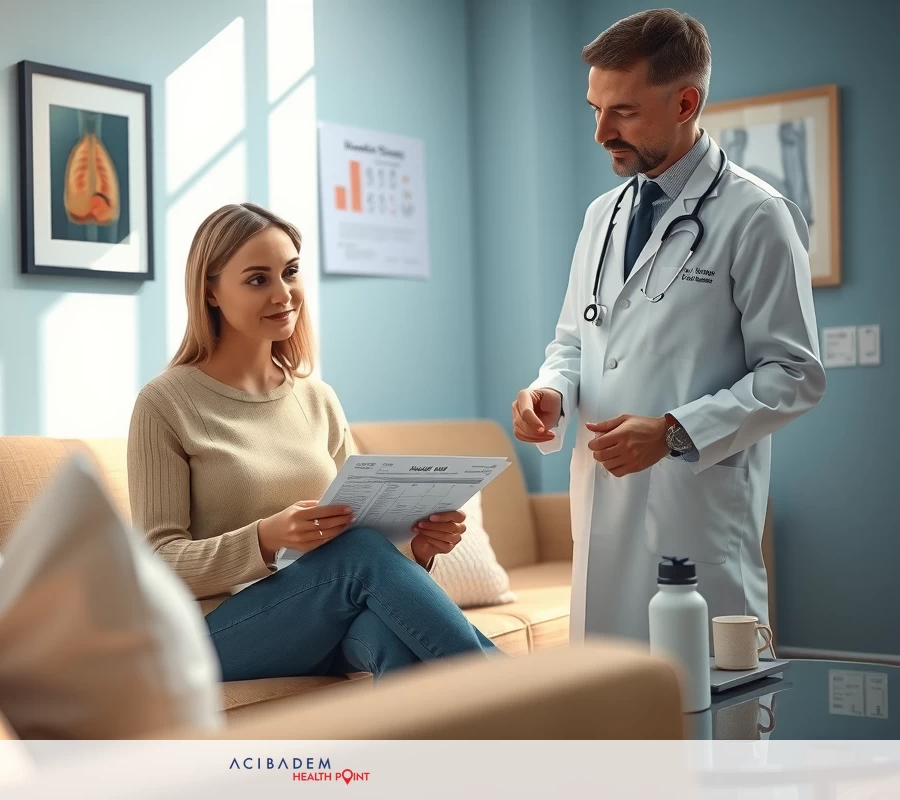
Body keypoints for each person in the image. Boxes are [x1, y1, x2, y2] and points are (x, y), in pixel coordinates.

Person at [512, 10, 825, 644]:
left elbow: (795, 374)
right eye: (595, 109)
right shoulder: (601, 216)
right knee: (608, 698)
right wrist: (552, 391)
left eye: (623, 112)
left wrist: (675, 432)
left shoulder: (756, 215)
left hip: (695, 510)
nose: (601, 132)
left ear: (686, 103)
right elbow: (574, 341)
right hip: (603, 505)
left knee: (707, 695)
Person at [128, 202, 496, 680]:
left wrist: (421, 549)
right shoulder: (165, 403)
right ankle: (527, 698)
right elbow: (156, 564)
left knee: (393, 640)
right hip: (210, 635)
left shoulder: (317, 398)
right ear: (210, 292)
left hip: (321, 617)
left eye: (291, 272)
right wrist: (264, 539)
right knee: (358, 552)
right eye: (258, 279)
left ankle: (493, 716)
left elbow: (368, 536)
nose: (283, 294)